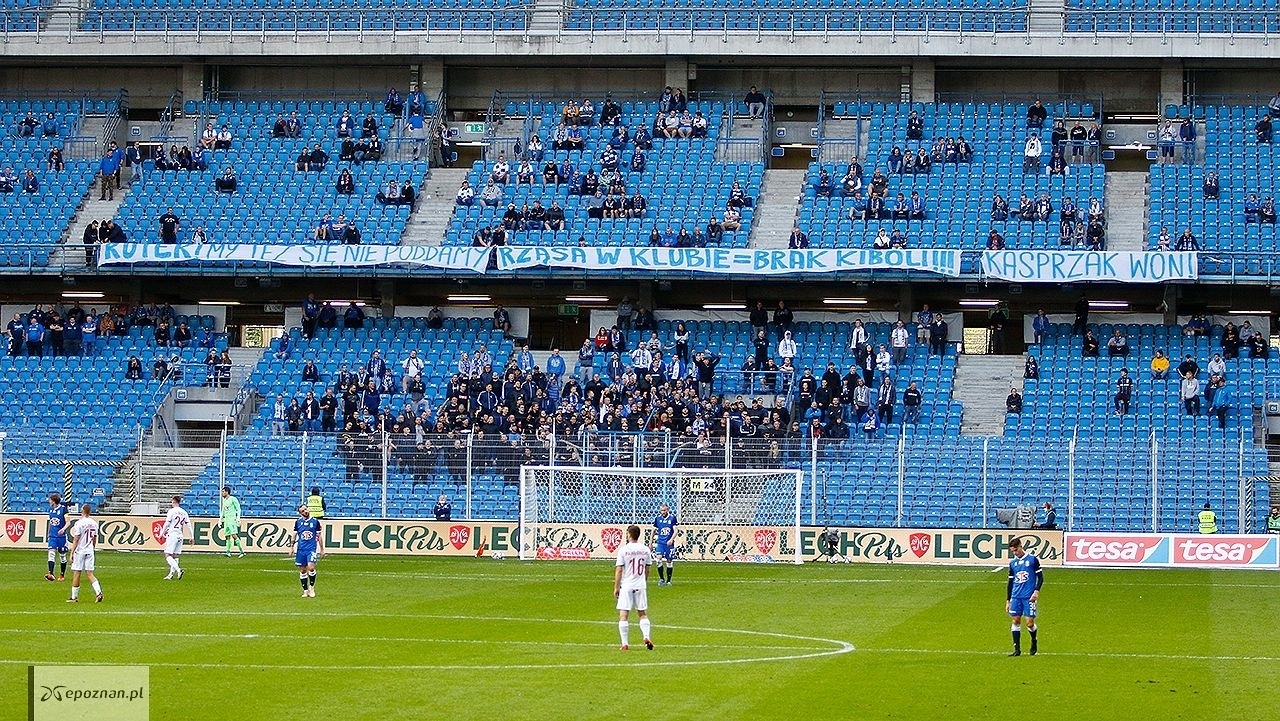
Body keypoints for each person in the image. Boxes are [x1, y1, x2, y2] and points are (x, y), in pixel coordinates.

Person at [613, 524, 653, 651]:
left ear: (629, 535)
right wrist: (643, 581)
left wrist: (616, 587)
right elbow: (647, 569)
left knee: (624, 615)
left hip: (627, 585)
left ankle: (625, 644)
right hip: (640, 585)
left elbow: (619, 570)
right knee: (642, 613)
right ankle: (646, 636)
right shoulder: (645, 550)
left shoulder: (624, 550)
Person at [1005, 536, 1042, 656]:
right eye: (1013, 551)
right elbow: (1010, 582)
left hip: (1029, 597)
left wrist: (1036, 591)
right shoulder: (1013, 563)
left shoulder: (1032, 560)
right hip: (1016, 596)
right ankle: (1017, 649)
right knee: (1015, 620)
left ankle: (1034, 640)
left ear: (1021, 546)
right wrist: (1008, 600)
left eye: (1016, 550)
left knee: (1029, 623)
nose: (1015, 553)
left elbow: (1040, 577)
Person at [66, 503, 103, 603]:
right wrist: (93, 548)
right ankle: (98, 592)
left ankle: (74, 597)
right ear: (90, 512)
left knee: (77, 572)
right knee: (90, 573)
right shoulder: (94, 523)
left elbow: (76, 539)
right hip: (89, 550)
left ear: (82, 511)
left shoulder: (79, 523)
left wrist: (72, 552)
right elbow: (95, 538)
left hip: (80, 550)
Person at [289, 503, 324, 597]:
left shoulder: (315, 522)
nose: (305, 511)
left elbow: (319, 536)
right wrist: (291, 547)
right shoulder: (298, 522)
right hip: (301, 549)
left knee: (311, 567)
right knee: (303, 570)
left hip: (311, 549)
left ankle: (312, 588)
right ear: (300, 513)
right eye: (302, 511)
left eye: (305, 509)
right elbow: (294, 534)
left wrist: (322, 549)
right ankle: (305, 590)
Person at [158, 495, 190, 580]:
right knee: (175, 555)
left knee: (167, 554)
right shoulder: (184, 512)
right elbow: (189, 525)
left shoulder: (171, 511)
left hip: (172, 535)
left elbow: (167, 523)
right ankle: (171, 574)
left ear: (174, 502)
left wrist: (161, 534)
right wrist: (192, 537)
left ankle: (179, 570)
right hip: (180, 535)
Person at [44, 493, 69, 581]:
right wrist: (48, 532)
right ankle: (51, 573)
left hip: (61, 537)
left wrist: (63, 529)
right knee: (51, 553)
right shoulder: (50, 510)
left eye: (50, 500)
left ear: (54, 501)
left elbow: (68, 522)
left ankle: (62, 574)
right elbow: (51, 522)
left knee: (62, 555)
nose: (49, 501)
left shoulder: (63, 509)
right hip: (53, 536)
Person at [652, 504, 677, 587]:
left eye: (664, 510)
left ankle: (669, 581)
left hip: (669, 544)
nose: (663, 512)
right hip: (660, 543)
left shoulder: (672, 518)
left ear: (668, 510)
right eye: (662, 510)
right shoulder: (657, 519)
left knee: (669, 561)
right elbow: (653, 531)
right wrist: (650, 542)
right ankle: (662, 579)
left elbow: (676, 531)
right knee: (658, 559)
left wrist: (671, 539)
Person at [220, 486, 244, 557]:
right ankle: (228, 552)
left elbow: (238, 509)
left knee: (234, 535)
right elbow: (223, 511)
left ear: (227, 492)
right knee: (227, 536)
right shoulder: (224, 501)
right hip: (226, 520)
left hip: (232, 519)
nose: (222, 493)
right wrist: (220, 519)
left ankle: (241, 551)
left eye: (223, 491)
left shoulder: (233, 499)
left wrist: (238, 518)